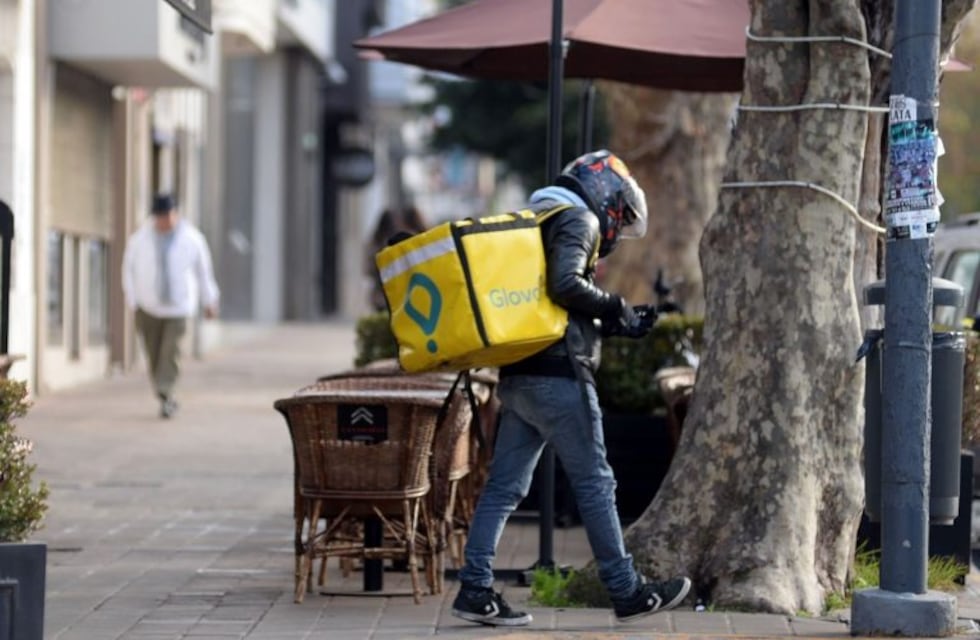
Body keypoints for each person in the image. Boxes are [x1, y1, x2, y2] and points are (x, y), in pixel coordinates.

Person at [451, 150, 691, 627]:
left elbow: (554, 306)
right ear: (603, 191)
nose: (616, 229)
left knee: (503, 487)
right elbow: (565, 285)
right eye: (618, 216)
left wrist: (619, 321)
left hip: (521, 374)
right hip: (560, 379)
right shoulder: (579, 219)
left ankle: (474, 589)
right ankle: (626, 591)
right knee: (596, 483)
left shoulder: (540, 217)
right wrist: (617, 304)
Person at [122, 193, 220, 419]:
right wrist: (133, 300)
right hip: (148, 307)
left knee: (171, 352)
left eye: (168, 215)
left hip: (179, 307)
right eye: (160, 216)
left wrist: (209, 301)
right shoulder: (139, 239)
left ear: (176, 214)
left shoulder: (192, 238)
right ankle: (163, 391)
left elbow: (203, 272)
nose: (165, 220)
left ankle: (167, 394)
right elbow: (128, 269)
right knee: (154, 354)